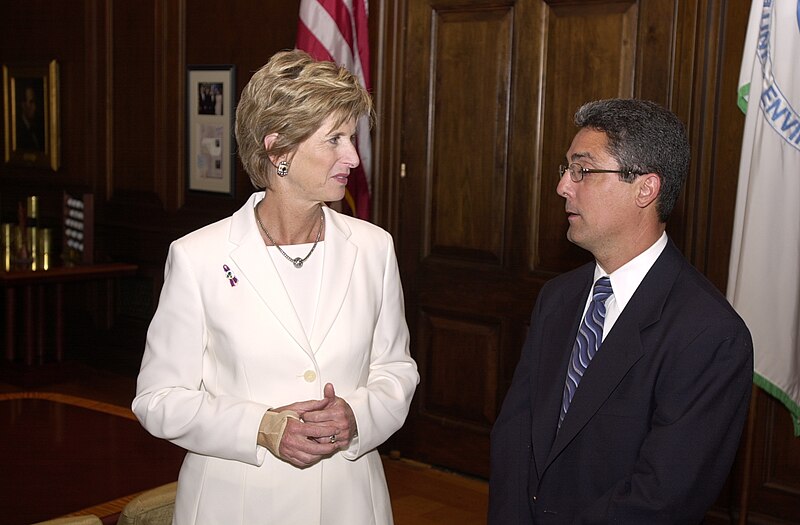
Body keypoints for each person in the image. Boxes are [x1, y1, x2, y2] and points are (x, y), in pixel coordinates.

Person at [133, 50, 419, 524]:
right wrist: (260, 428)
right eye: (335, 140)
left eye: (353, 137)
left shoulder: (374, 248)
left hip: (349, 503)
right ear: (278, 150)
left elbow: (396, 371)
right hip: (235, 505)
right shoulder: (198, 257)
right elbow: (157, 400)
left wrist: (357, 417)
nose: (352, 157)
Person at [488, 98, 753, 524]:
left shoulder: (710, 333)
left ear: (645, 188)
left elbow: (664, 496)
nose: (563, 186)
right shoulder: (558, 297)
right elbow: (516, 435)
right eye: (566, 169)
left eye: (583, 170)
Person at [16, 85, 45, 151]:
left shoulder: (39, 127)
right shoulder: (18, 131)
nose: (34, 107)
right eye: (31, 102)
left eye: (34, 102)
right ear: (23, 105)